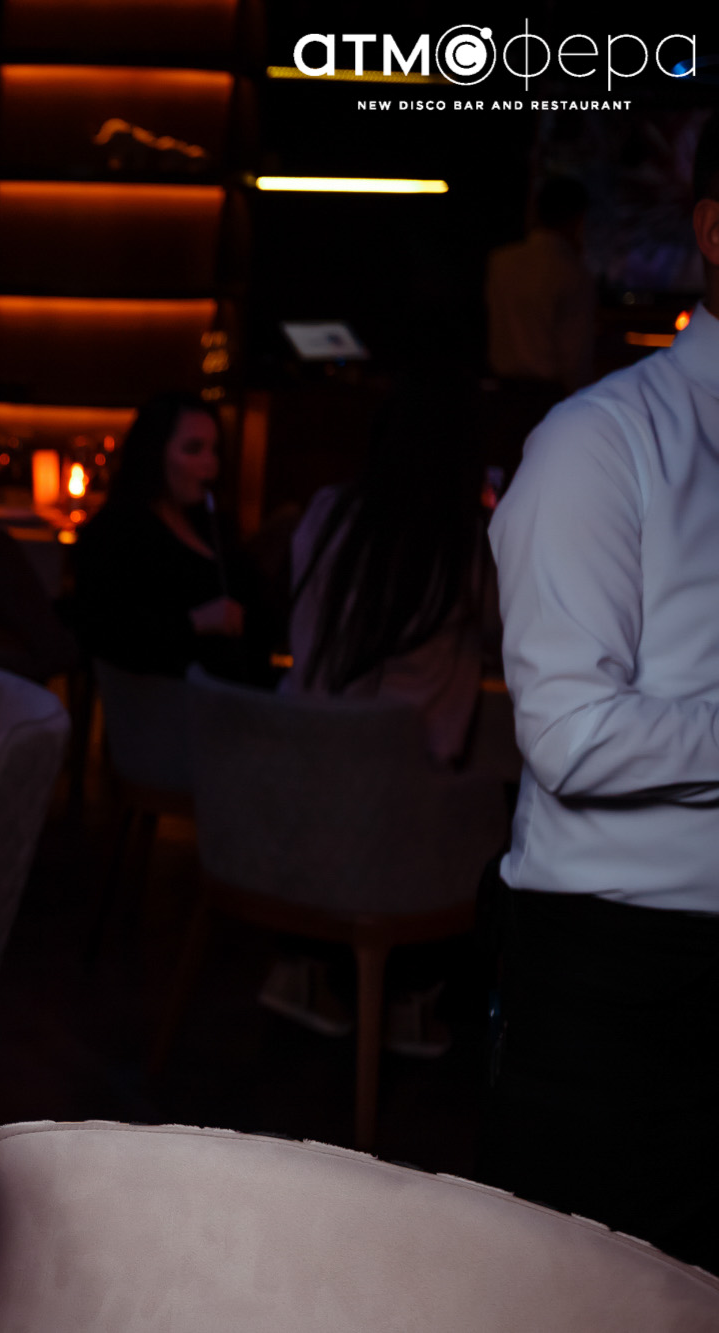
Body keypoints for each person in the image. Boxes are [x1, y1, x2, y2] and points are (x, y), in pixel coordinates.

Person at [478, 120, 719, 1271]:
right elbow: (570, 735)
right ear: (713, 230)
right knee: (590, 1293)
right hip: (629, 974)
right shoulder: (596, 443)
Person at [264, 382, 494, 1056]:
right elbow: (513, 627)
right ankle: (412, 996)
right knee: (505, 806)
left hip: (297, 781)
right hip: (399, 807)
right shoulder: (459, 543)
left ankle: (306, 965)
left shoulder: (327, 512)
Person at [69, 390, 272, 684]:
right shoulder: (117, 532)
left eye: (214, 450)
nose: (210, 463)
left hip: (236, 696)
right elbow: (105, 632)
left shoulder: (211, 523)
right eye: (193, 449)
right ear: (154, 454)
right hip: (170, 701)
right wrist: (196, 622)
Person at [486, 175, 593, 394]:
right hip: (548, 394)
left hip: (502, 392)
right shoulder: (572, 272)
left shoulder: (500, 261)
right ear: (578, 220)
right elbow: (575, 356)